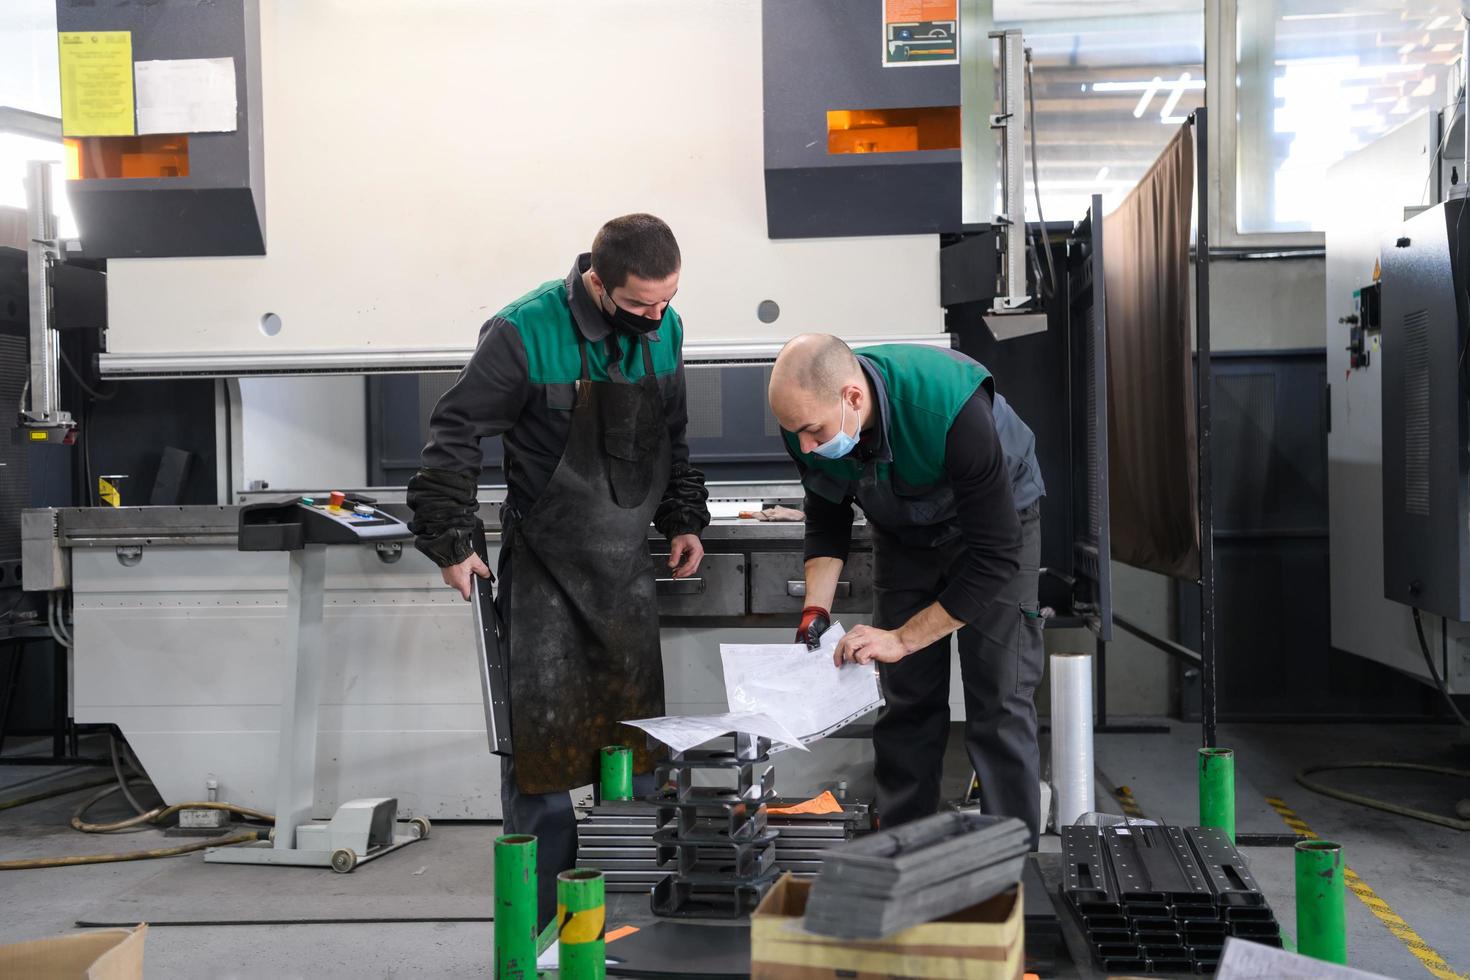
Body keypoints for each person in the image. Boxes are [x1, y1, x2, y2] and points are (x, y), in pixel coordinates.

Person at [407, 214, 710, 923]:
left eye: (667, 300)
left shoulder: (665, 328)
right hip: (543, 571)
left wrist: (683, 517)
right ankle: (546, 936)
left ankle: (629, 928)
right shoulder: (521, 333)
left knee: (635, 759)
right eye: (640, 304)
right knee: (542, 761)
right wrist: (452, 538)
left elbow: (672, 434)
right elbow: (453, 431)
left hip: (624, 574)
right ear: (598, 283)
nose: (656, 316)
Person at [768, 334, 1046, 845]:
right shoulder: (804, 424)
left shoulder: (950, 408)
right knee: (907, 698)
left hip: (996, 530)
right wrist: (815, 610)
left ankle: (1009, 863)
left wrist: (903, 637)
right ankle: (902, 850)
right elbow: (826, 517)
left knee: (999, 699)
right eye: (796, 434)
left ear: (852, 398)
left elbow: (996, 555)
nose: (806, 446)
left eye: (812, 431)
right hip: (904, 534)